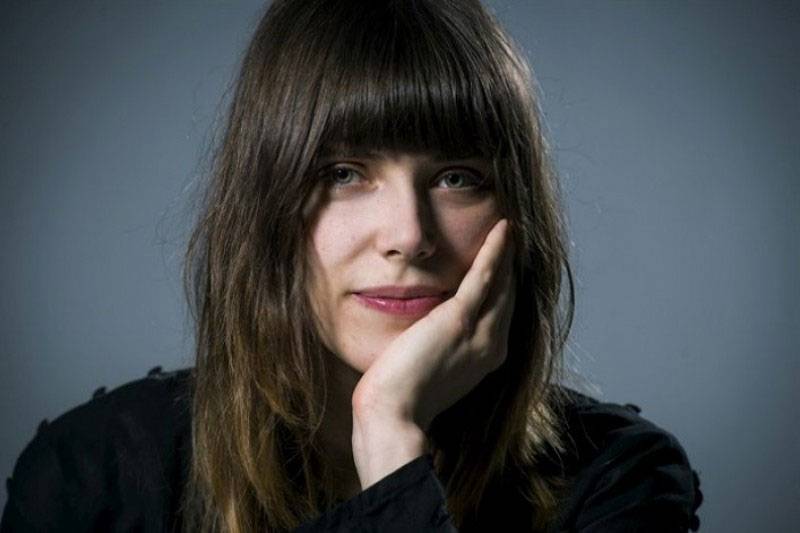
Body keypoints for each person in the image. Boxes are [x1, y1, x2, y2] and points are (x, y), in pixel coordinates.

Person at [1, 0, 703, 531]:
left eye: (457, 177)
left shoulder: (617, 480)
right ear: (266, 207)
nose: (409, 236)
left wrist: (390, 435)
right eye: (343, 172)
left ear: (517, 217)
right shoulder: (94, 477)